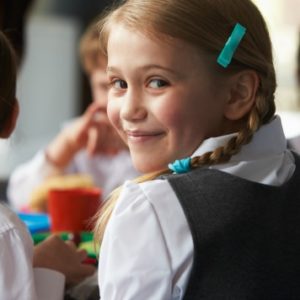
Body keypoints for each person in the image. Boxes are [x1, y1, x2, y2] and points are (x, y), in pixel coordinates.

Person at [93, 0, 300, 299]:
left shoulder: (152, 210)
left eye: (157, 82)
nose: (128, 110)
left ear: (237, 93)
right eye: (119, 83)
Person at [0, 30, 95, 300]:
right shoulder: (6, 234)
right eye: (116, 84)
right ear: (12, 118)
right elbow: (22, 191)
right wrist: (42, 268)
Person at [7, 20, 139, 211]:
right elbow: (19, 197)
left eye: (121, 85)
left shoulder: (154, 134)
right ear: (90, 83)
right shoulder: (79, 137)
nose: (113, 102)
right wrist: (66, 146)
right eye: (104, 86)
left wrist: (130, 145)